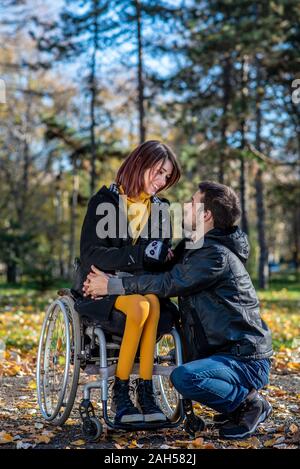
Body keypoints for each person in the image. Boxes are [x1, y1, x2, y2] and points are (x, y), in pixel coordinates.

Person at [84, 181, 273, 440]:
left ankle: (248, 403)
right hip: (223, 352)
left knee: (184, 377)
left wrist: (112, 285)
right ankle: (234, 406)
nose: (185, 206)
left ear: (205, 215)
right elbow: (162, 269)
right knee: (183, 365)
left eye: (192, 202)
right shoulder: (196, 248)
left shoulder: (214, 255)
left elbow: (169, 282)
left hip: (243, 357)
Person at [72, 140, 181, 424]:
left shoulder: (160, 209)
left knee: (153, 306)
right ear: (140, 164)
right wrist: (141, 255)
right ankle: (121, 392)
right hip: (98, 291)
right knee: (140, 309)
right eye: (158, 172)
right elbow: (93, 254)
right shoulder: (103, 202)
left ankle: (146, 393)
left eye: (167, 177)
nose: (162, 181)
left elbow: (157, 258)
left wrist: (158, 257)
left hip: (138, 287)